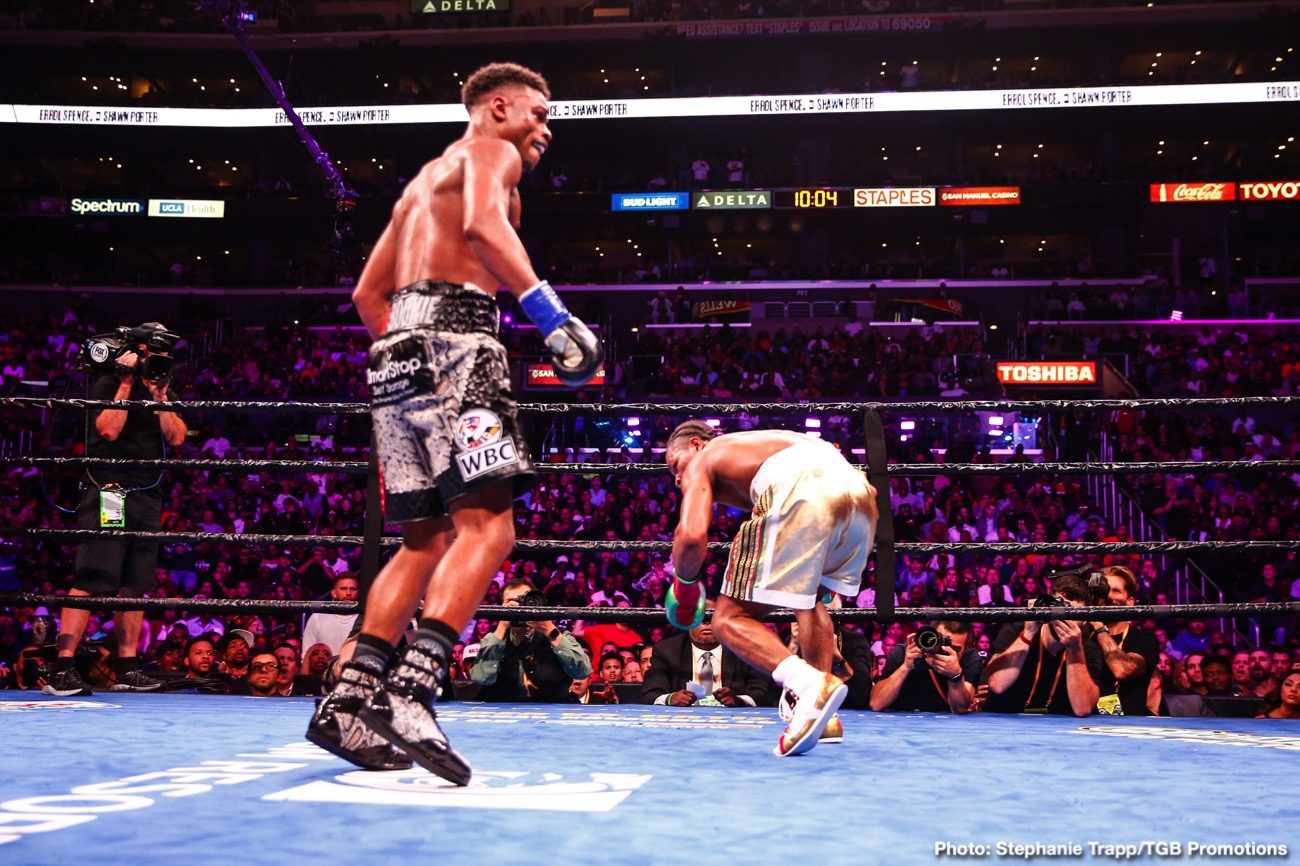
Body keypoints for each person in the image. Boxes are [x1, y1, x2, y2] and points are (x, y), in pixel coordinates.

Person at [306, 62, 601, 786]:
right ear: (497, 107)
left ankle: (348, 700)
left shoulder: (417, 187)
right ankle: (413, 688)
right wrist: (548, 314)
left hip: (396, 357)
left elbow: (366, 294)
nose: (545, 128)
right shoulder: (489, 152)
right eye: (538, 112)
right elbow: (482, 224)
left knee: (423, 539)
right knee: (489, 529)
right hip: (458, 343)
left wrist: (407, 354)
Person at [664, 421, 876, 756]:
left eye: (675, 466)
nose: (677, 478)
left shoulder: (706, 457)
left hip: (801, 489)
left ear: (695, 444)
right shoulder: (765, 446)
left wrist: (685, 583)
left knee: (727, 619)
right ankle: (822, 716)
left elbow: (690, 537)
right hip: (860, 494)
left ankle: (810, 684)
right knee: (807, 602)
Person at [45, 322, 188, 696]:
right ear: (138, 350)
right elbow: (107, 430)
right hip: (110, 489)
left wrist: (159, 396)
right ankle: (62, 666)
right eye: (155, 350)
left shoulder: (160, 385)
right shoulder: (108, 381)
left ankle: (127, 666)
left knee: (135, 583)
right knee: (95, 575)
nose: (161, 357)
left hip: (147, 490)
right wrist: (125, 383)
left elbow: (177, 437)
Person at [981, 573, 1111, 717]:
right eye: (1061, 608)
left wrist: (1075, 649)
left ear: (1086, 621)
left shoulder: (1088, 648)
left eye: (1074, 612)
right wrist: (1028, 634)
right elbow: (997, 685)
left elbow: (1083, 708)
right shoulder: (1017, 629)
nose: (1065, 618)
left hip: (1057, 730)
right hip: (1004, 723)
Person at [468, 579, 591, 701]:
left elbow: (582, 672)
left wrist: (549, 630)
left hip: (552, 711)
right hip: (507, 712)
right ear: (501, 607)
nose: (519, 606)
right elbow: (481, 678)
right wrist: (502, 624)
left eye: (525, 600)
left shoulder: (558, 634)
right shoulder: (493, 638)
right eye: (512, 601)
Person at [641, 599, 774, 708]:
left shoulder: (744, 648)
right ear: (688, 621)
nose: (706, 622)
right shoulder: (667, 650)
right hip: (683, 720)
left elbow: (762, 693)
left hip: (732, 720)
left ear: (721, 619)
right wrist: (671, 698)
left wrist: (738, 700)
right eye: (700, 616)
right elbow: (650, 693)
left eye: (711, 616)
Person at [1086, 565, 1160, 715]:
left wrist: (1098, 627)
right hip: (1082, 722)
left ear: (1130, 601)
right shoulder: (1081, 636)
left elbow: (1123, 669)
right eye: (1104, 590)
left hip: (1129, 726)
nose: (1109, 596)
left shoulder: (1144, 638)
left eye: (1116, 590)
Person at [869, 621, 982, 713]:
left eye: (955, 649)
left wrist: (955, 676)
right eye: (943, 643)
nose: (946, 651)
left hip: (947, 728)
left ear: (967, 648)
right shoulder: (905, 653)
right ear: (931, 636)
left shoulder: (969, 659)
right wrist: (905, 667)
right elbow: (876, 703)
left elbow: (959, 709)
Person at [301, 572, 359, 657]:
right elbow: (306, 655)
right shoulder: (317, 618)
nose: (348, 593)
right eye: (343, 589)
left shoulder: (364, 620)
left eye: (353, 589)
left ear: (358, 593)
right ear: (334, 593)